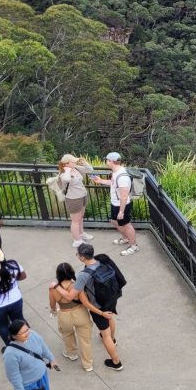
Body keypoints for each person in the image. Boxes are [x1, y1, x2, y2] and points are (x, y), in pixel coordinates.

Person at [71, 243, 123, 371]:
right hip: (111, 298)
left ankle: (116, 362)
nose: (77, 256)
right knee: (110, 318)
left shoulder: (83, 275)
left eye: (78, 254)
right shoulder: (103, 261)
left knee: (105, 334)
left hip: (98, 307)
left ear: (82, 257)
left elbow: (72, 295)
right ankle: (113, 339)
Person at [48, 263, 93, 372]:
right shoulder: (77, 284)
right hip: (80, 312)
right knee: (85, 340)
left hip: (64, 314)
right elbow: (84, 300)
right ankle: (87, 365)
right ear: (71, 272)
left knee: (67, 334)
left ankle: (71, 353)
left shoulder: (53, 289)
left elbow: (52, 304)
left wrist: (53, 310)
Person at [92, 151, 138, 256]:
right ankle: (126, 238)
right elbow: (113, 183)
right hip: (115, 203)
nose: (106, 162)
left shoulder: (122, 177)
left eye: (107, 160)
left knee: (127, 225)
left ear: (111, 161)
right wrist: (101, 181)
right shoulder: (116, 172)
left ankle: (134, 246)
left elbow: (124, 196)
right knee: (114, 221)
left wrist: (121, 211)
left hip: (122, 205)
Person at [4, 320, 58, 390]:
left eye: (27, 329)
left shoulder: (33, 334)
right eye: (23, 333)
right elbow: (14, 376)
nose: (28, 333)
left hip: (43, 376)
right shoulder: (10, 354)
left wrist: (51, 359)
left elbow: (44, 348)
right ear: (14, 336)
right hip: (29, 385)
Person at [57, 155, 94, 248]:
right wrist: (67, 169)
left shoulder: (76, 168)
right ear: (66, 163)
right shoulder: (63, 173)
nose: (75, 162)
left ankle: (81, 234)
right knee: (75, 221)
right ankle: (77, 240)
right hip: (73, 199)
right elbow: (66, 179)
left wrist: (84, 162)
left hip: (82, 196)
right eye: (72, 161)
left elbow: (90, 170)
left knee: (80, 217)